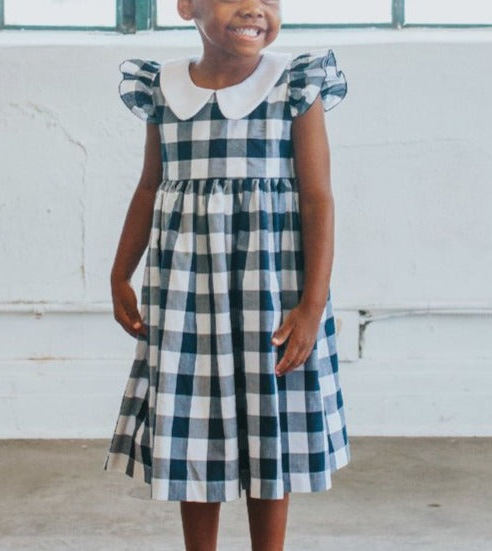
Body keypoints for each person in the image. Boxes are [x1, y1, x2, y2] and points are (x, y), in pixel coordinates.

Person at [104, 1, 351, 549]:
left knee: (270, 425)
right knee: (194, 427)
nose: (254, 9)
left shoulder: (294, 85)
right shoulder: (163, 88)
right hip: (187, 293)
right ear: (187, 5)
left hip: (271, 291)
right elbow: (150, 186)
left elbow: (318, 198)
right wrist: (121, 272)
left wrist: (311, 305)